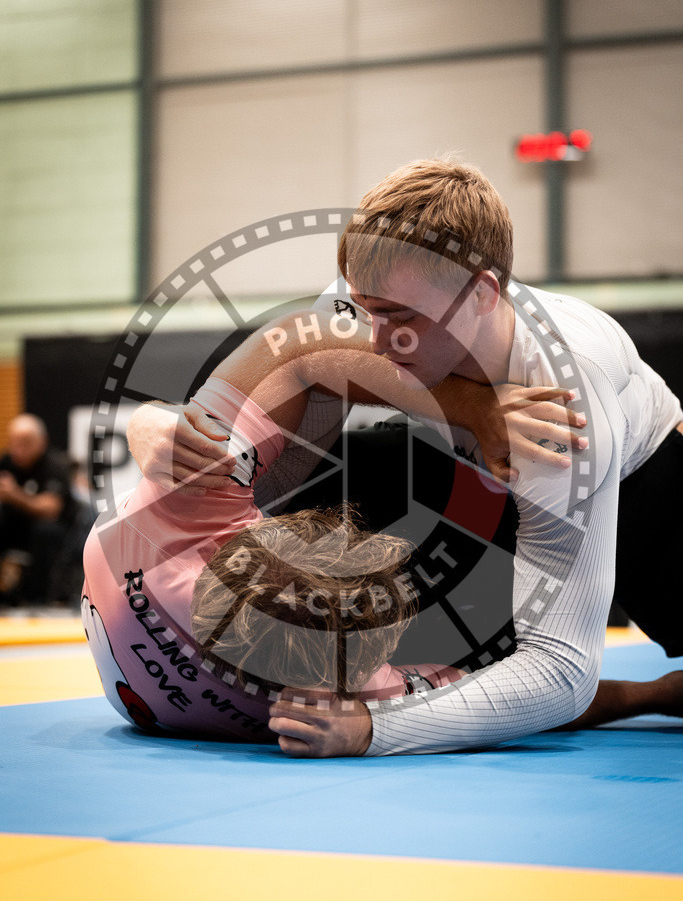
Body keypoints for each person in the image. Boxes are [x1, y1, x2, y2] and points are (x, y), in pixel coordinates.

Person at [128, 157, 683, 757]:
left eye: (400, 317)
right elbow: (294, 358)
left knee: (516, 674)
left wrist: (375, 729)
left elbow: (561, 672)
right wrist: (158, 424)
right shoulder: (380, 295)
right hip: (462, 473)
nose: (374, 337)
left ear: (482, 294)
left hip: (646, 494)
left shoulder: (561, 408)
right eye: (366, 308)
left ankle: (652, 694)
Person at [87, 357, 680, 746]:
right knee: (488, 640)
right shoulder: (350, 696)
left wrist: (156, 421)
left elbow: (302, 355)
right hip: (495, 550)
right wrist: (651, 695)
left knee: (396, 468)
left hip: (413, 476)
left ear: (260, 536)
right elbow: (529, 694)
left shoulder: (177, 515)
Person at [0, 413, 77, 605]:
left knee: (45, 531)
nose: (18, 449)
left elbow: (51, 509)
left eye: (25, 443)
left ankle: (38, 598)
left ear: (42, 441)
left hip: (54, 532)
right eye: (14, 442)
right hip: (15, 528)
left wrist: (15, 494)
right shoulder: (6, 464)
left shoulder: (55, 464)